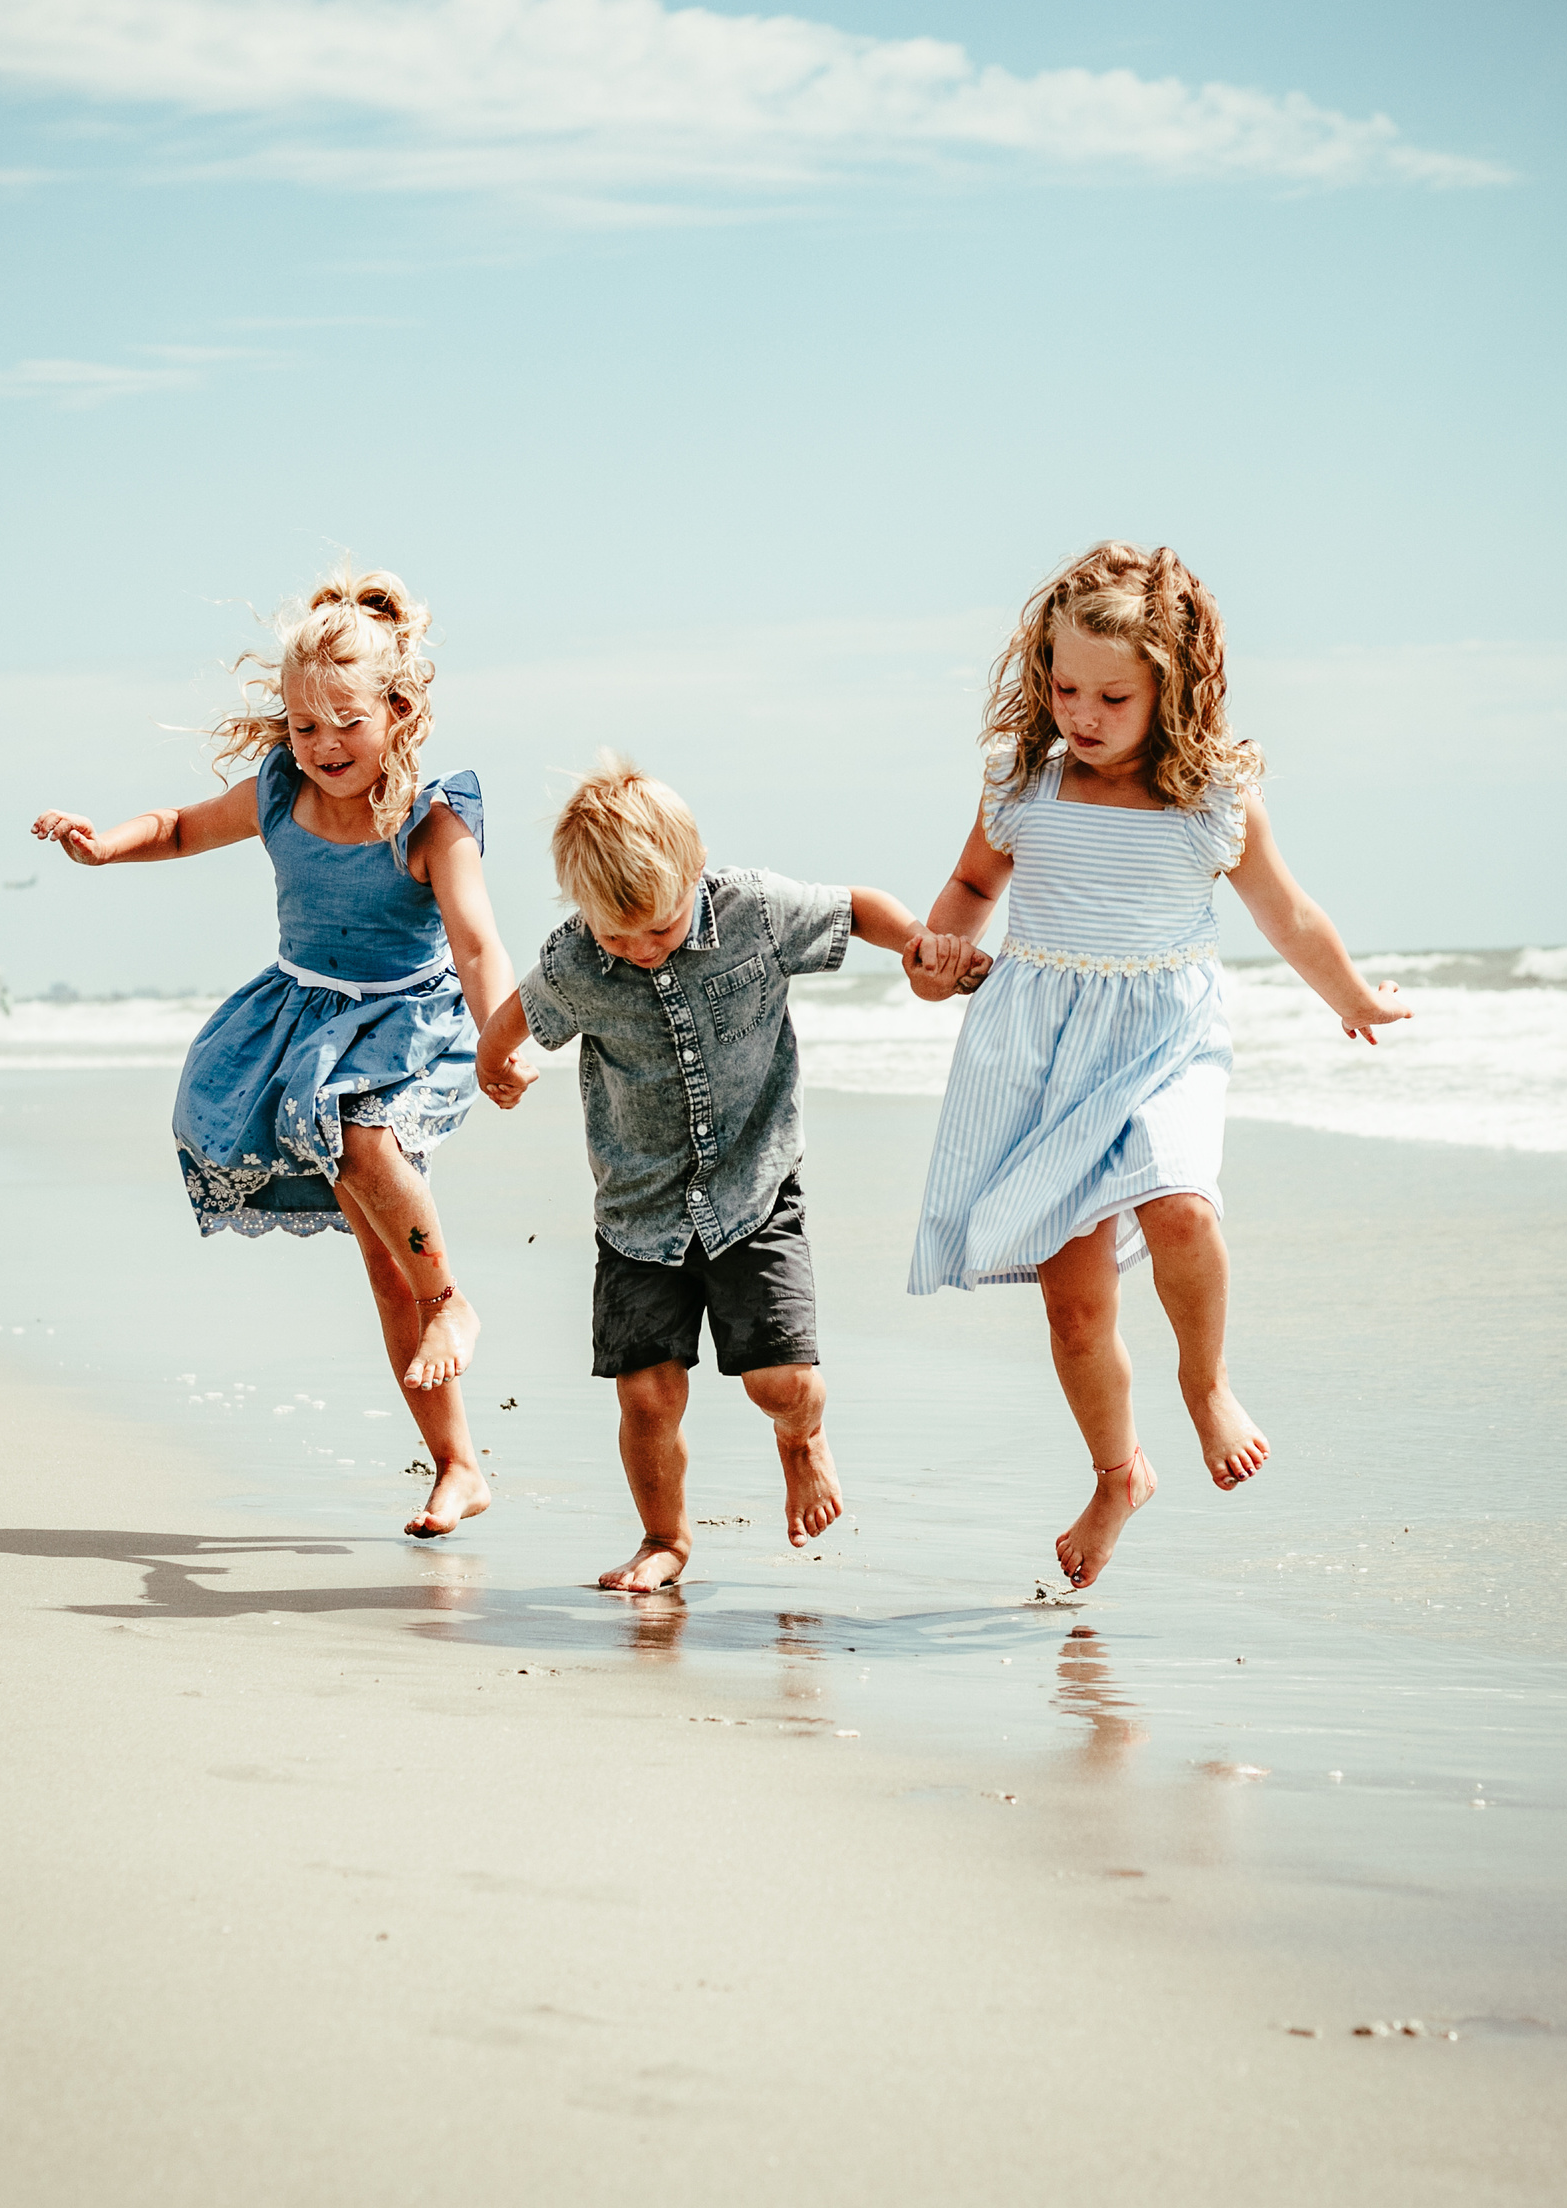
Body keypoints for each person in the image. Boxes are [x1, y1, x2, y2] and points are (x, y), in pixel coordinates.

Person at [906, 542, 1409, 1589]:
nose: (1081, 713)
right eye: (1063, 686)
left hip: (1165, 1040)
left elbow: (1288, 914)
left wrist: (1349, 994)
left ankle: (1206, 1381)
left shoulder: (1212, 802)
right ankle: (1114, 1472)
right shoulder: (1022, 788)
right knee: (1073, 1301)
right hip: (1043, 1051)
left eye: (1111, 694)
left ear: (1170, 690)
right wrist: (937, 956)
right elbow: (962, 892)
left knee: (1183, 1203)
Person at [31, 567, 517, 1541]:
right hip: (306, 1022)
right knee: (382, 1269)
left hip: (407, 1025)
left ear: (400, 707)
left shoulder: (432, 813)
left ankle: (453, 1302)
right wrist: (103, 847)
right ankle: (459, 1464)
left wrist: (504, 1037)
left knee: (362, 1138)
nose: (323, 744)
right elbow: (174, 827)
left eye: (345, 720)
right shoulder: (277, 793)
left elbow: (473, 940)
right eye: (302, 725)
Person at [475, 758, 979, 1593]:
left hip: (755, 1189)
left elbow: (854, 908)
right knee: (646, 1395)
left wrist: (921, 945)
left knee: (783, 1383)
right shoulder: (575, 962)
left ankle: (801, 1440)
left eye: (662, 930)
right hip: (638, 1214)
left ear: (696, 867)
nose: (640, 951)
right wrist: (497, 1062)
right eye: (616, 937)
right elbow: (515, 1015)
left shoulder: (756, 910)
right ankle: (664, 1538)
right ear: (582, 913)